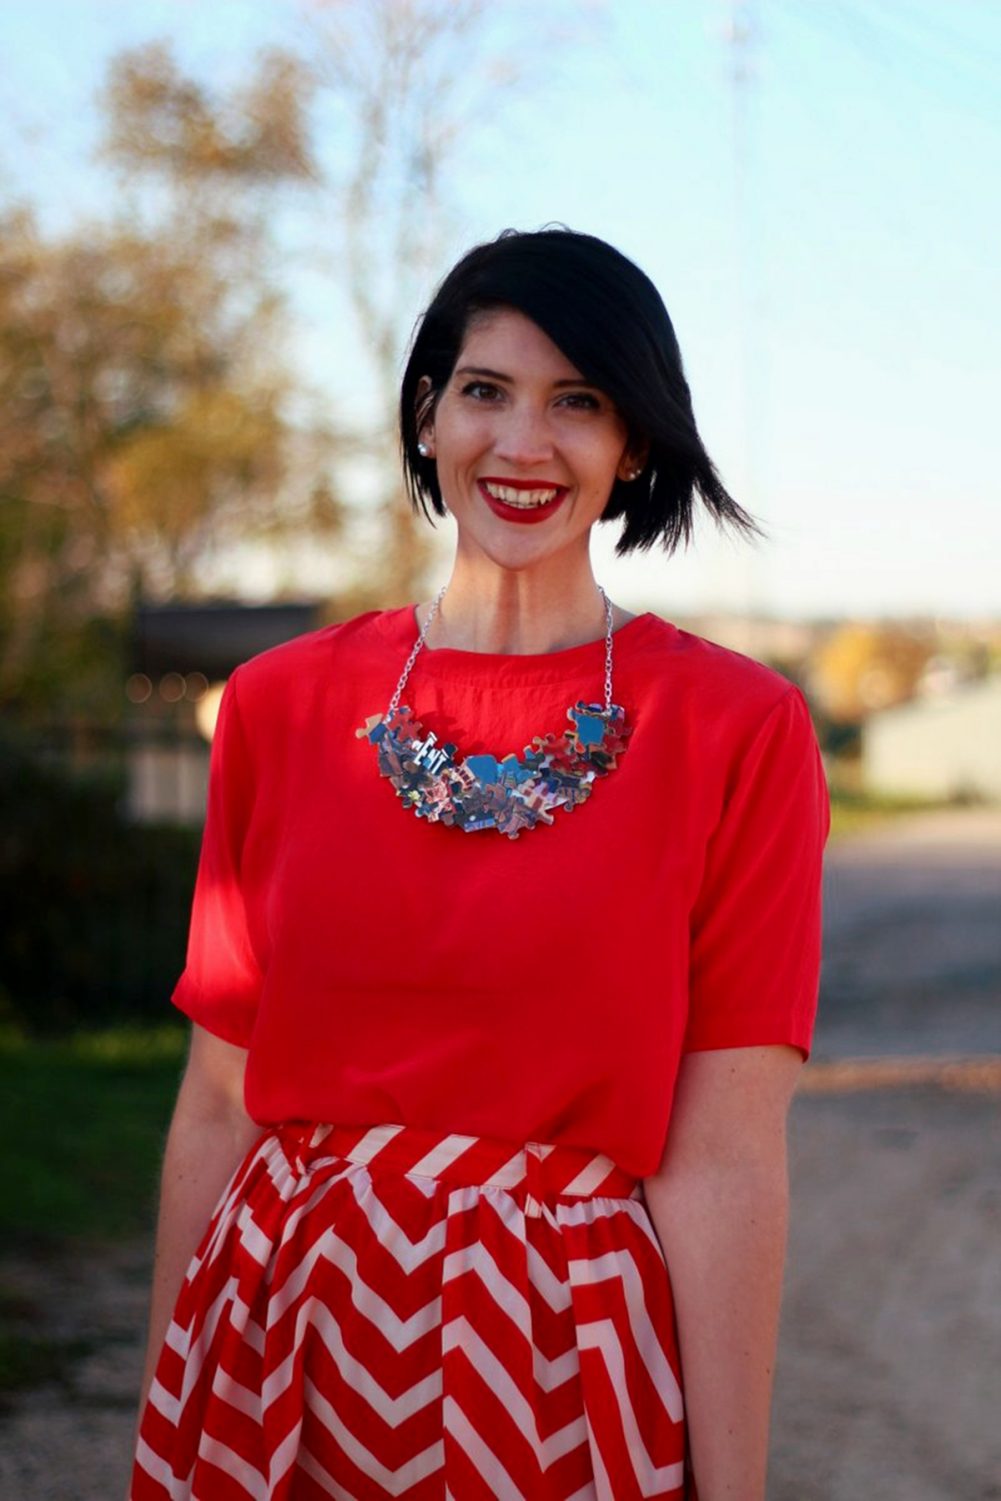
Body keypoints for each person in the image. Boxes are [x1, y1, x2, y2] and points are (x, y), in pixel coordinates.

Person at [128, 226, 829, 1501]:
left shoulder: (736, 730)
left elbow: (726, 1156)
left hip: (560, 1364)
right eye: (483, 391)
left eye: (578, 402)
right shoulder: (278, 704)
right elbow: (218, 1103)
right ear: (426, 417)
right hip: (281, 1334)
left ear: (633, 448)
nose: (521, 443)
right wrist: (170, 1418)